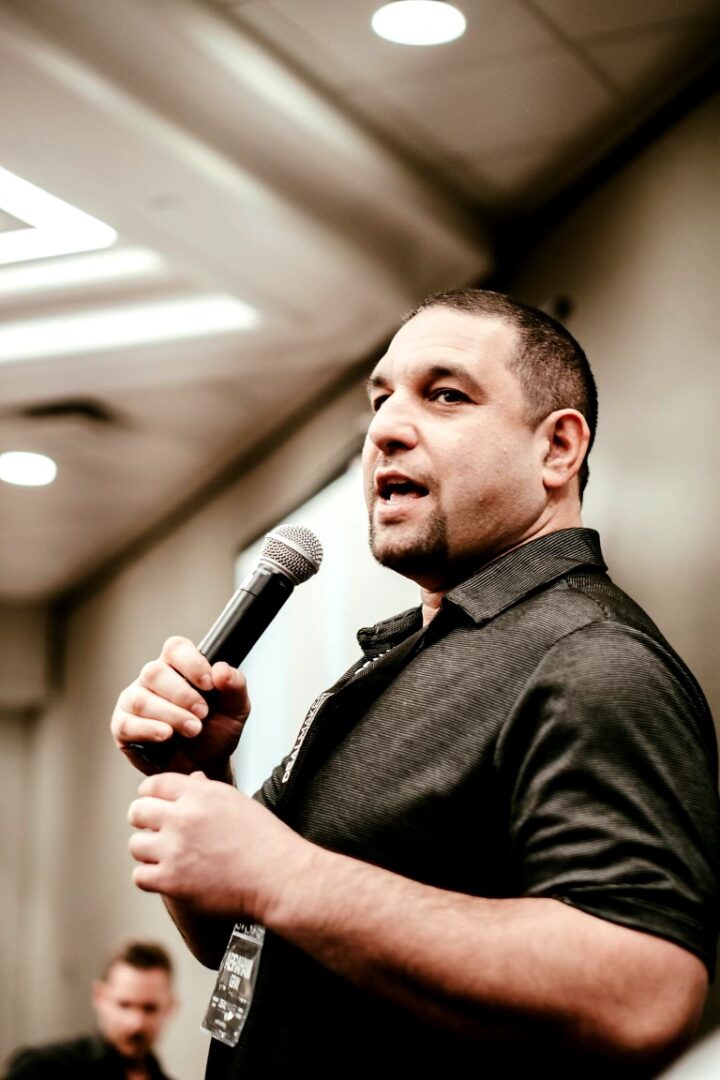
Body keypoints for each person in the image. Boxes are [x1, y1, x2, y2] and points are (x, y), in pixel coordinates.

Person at [111, 288, 720, 1078]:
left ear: (558, 449)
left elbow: (643, 993)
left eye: (446, 395)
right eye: (380, 400)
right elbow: (240, 936)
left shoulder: (590, 656)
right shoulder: (404, 657)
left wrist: (280, 871)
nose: (385, 430)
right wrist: (200, 776)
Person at [4, 939, 177, 1079]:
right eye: (124, 1005)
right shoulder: (42, 1069)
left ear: (170, 1007)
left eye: (150, 1008)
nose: (136, 1024)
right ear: (99, 997)